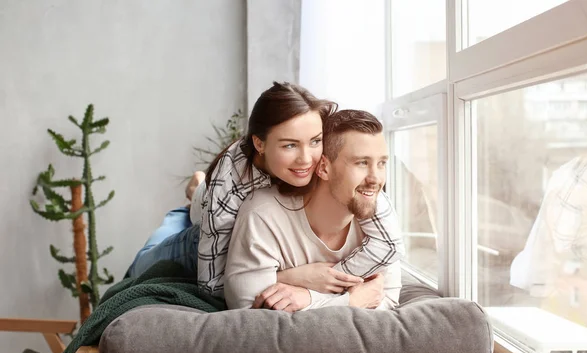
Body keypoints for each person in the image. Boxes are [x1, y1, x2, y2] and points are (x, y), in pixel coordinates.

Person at [126, 82, 404, 301]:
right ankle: (195, 192)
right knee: (145, 263)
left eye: (315, 141)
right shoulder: (231, 186)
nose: (307, 159)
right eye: (289, 146)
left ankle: (196, 188)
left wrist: (332, 281)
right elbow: (215, 285)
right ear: (260, 144)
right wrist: (292, 278)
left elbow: (388, 241)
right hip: (203, 227)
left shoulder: (333, 162)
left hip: (230, 207)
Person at [224, 110, 402, 311]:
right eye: (361, 163)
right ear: (324, 167)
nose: (376, 179)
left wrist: (308, 297)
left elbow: (387, 302)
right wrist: (349, 302)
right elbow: (246, 311)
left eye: (382, 163)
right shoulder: (262, 214)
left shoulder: (377, 218)